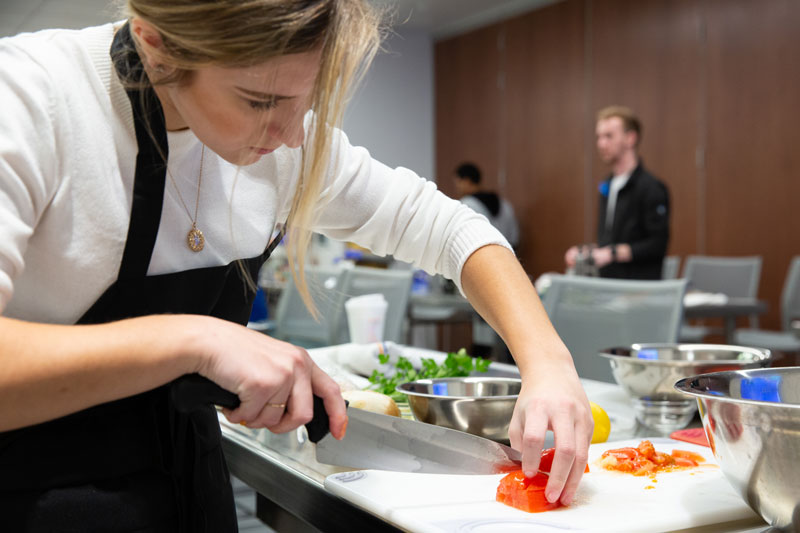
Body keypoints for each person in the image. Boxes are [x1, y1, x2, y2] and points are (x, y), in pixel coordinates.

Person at [0, 1, 591, 530]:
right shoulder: (33, 98)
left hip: (189, 485)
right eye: (259, 102)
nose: (288, 139)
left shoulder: (285, 142)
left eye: (304, 102)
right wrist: (193, 340)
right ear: (156, 45)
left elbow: (450, 228)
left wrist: (547, 361)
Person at [565, 105, 670, 279]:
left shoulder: (652, 188)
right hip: (608, 286)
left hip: (637, 289)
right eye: (599, 137)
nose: (601, 144)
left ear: (630, 138)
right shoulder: (607, 185)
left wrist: (612, 253)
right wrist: (586, 252)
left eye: (609, 136)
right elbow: (610, 243)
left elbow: (657, 245)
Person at [454, 162, 520, 249]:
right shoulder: (504, 204)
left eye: (458, 182)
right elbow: (514, 238)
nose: (456, 187)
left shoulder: (465, 205)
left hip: (480, 256)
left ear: (467, 181)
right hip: (507, 255)